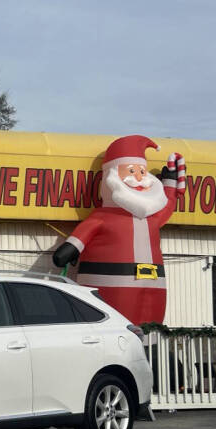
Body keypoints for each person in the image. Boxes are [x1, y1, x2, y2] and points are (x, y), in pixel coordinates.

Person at [52, 134, 186, 325]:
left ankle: (150, 348)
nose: (139, 178)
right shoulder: (103, 217)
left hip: (154, 285)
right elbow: (85, 232)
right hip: (112, 285)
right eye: (131, 170)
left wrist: (171, 184)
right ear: (111, 176)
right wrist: (70, 248)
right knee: (117, 325)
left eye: (142, 171)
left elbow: (167, 204)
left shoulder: (151, 218)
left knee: (150, 325)